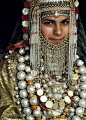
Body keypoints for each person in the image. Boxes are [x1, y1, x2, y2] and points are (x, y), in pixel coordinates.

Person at [0, 0, 86, 120]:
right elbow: (6, 114)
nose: (58, 32)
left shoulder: (80, 67)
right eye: (49, 23)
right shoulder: (14, 66)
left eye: (65, 22)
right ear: (33, 23)